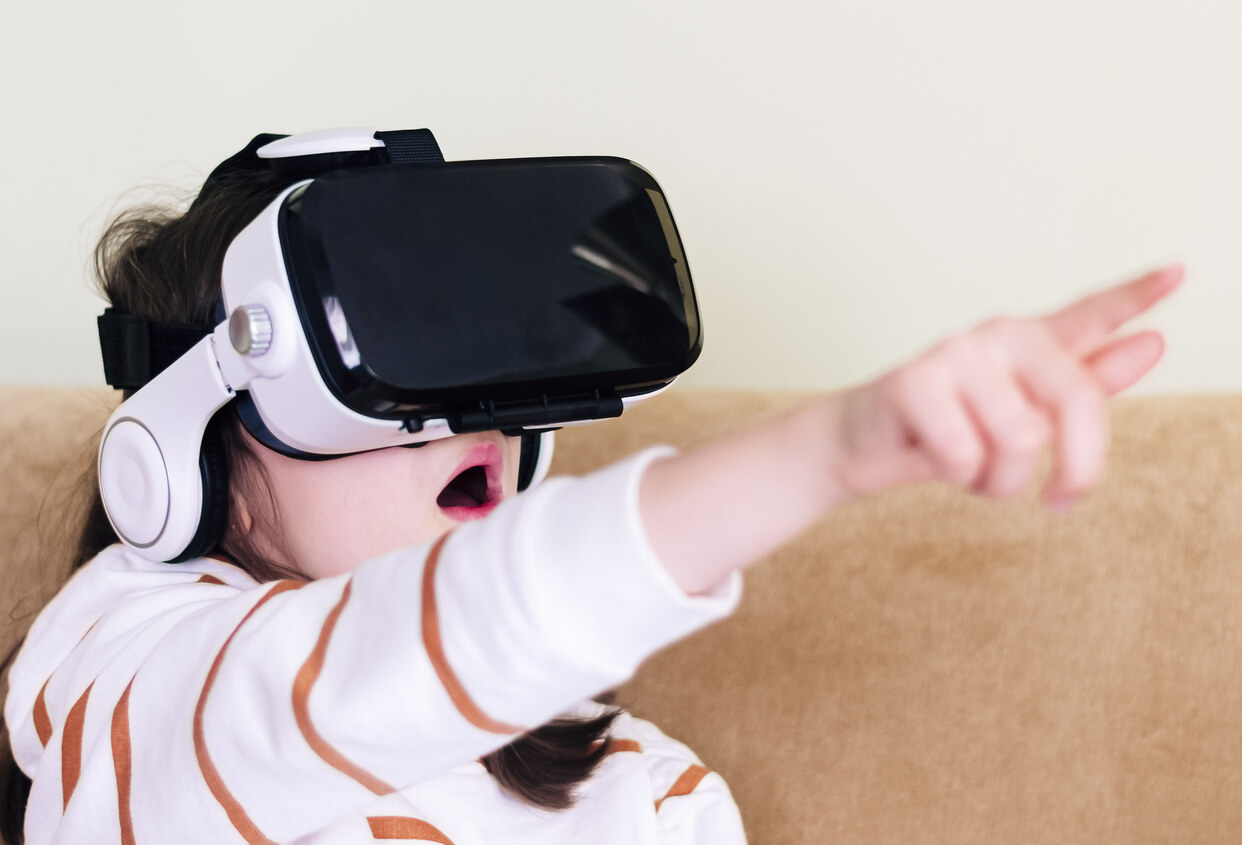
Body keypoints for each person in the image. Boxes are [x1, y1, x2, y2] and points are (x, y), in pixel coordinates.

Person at [0, 130, 1183, 844]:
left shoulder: (644, 792)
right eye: (387, 360)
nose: (471, 417)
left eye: (483, 352)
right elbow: (356, 674)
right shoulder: (113, 678)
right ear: (188, 452)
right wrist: (832, 449)